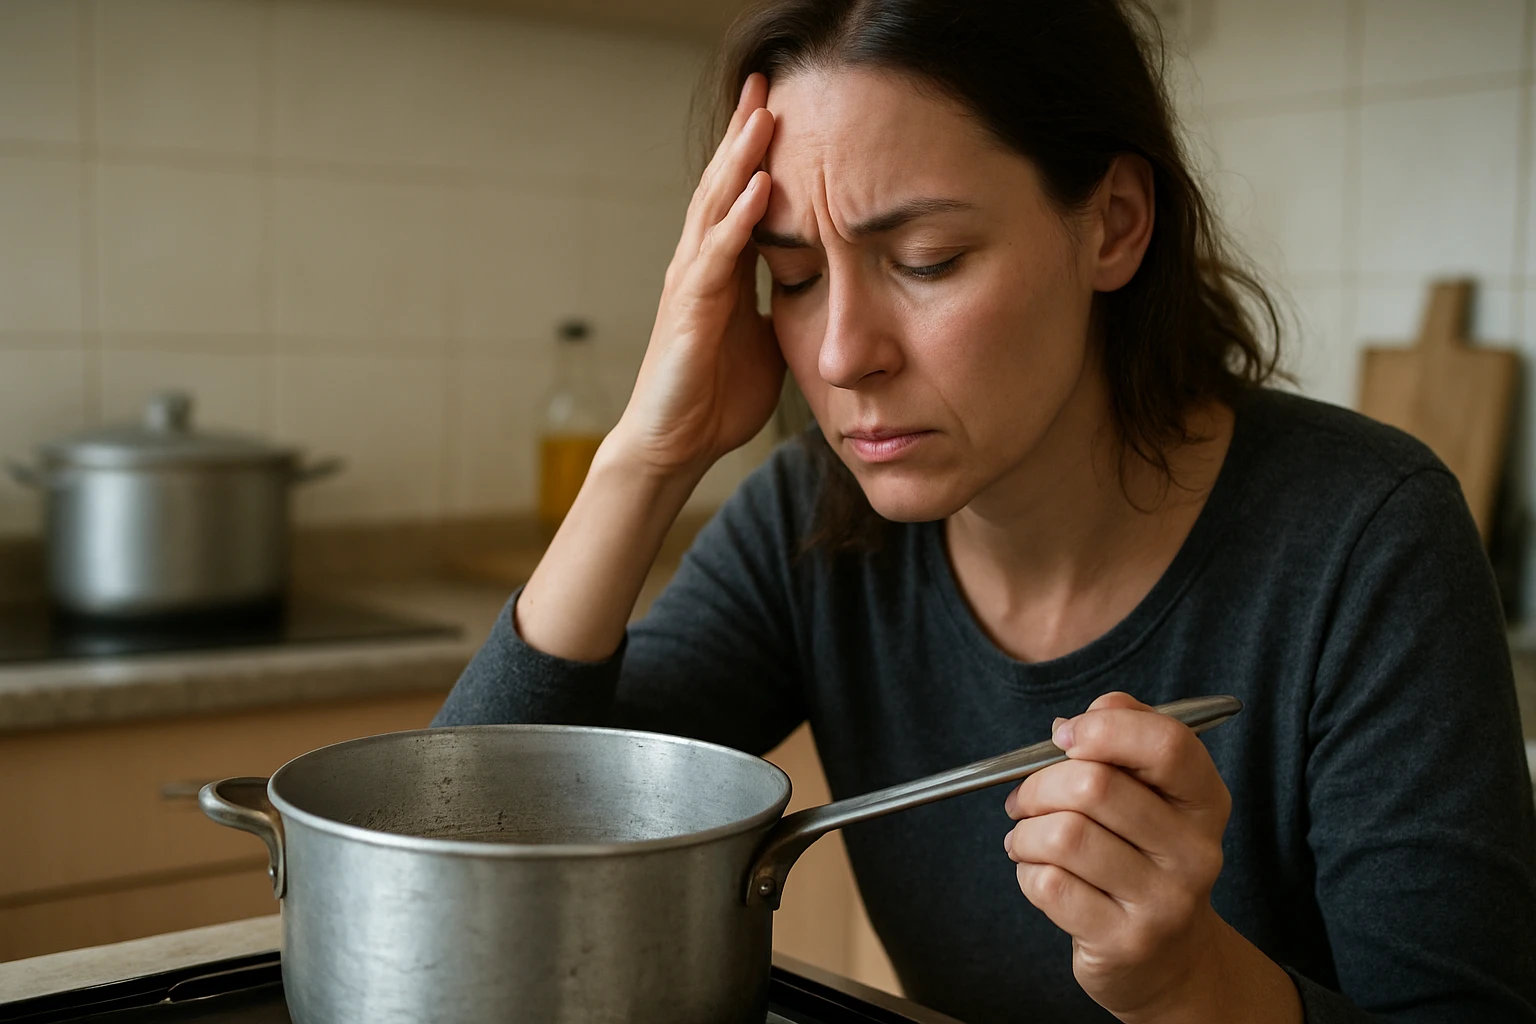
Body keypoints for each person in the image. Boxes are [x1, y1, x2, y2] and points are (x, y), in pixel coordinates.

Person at [432, 1, 1536, 1021]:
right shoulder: (808, 522)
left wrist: (1193, 982)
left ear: (1113, 224)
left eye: (928, 260)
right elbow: (462, 866)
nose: (841, 354)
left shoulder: (1370, 538)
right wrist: (645, 457)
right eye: (795, 277)